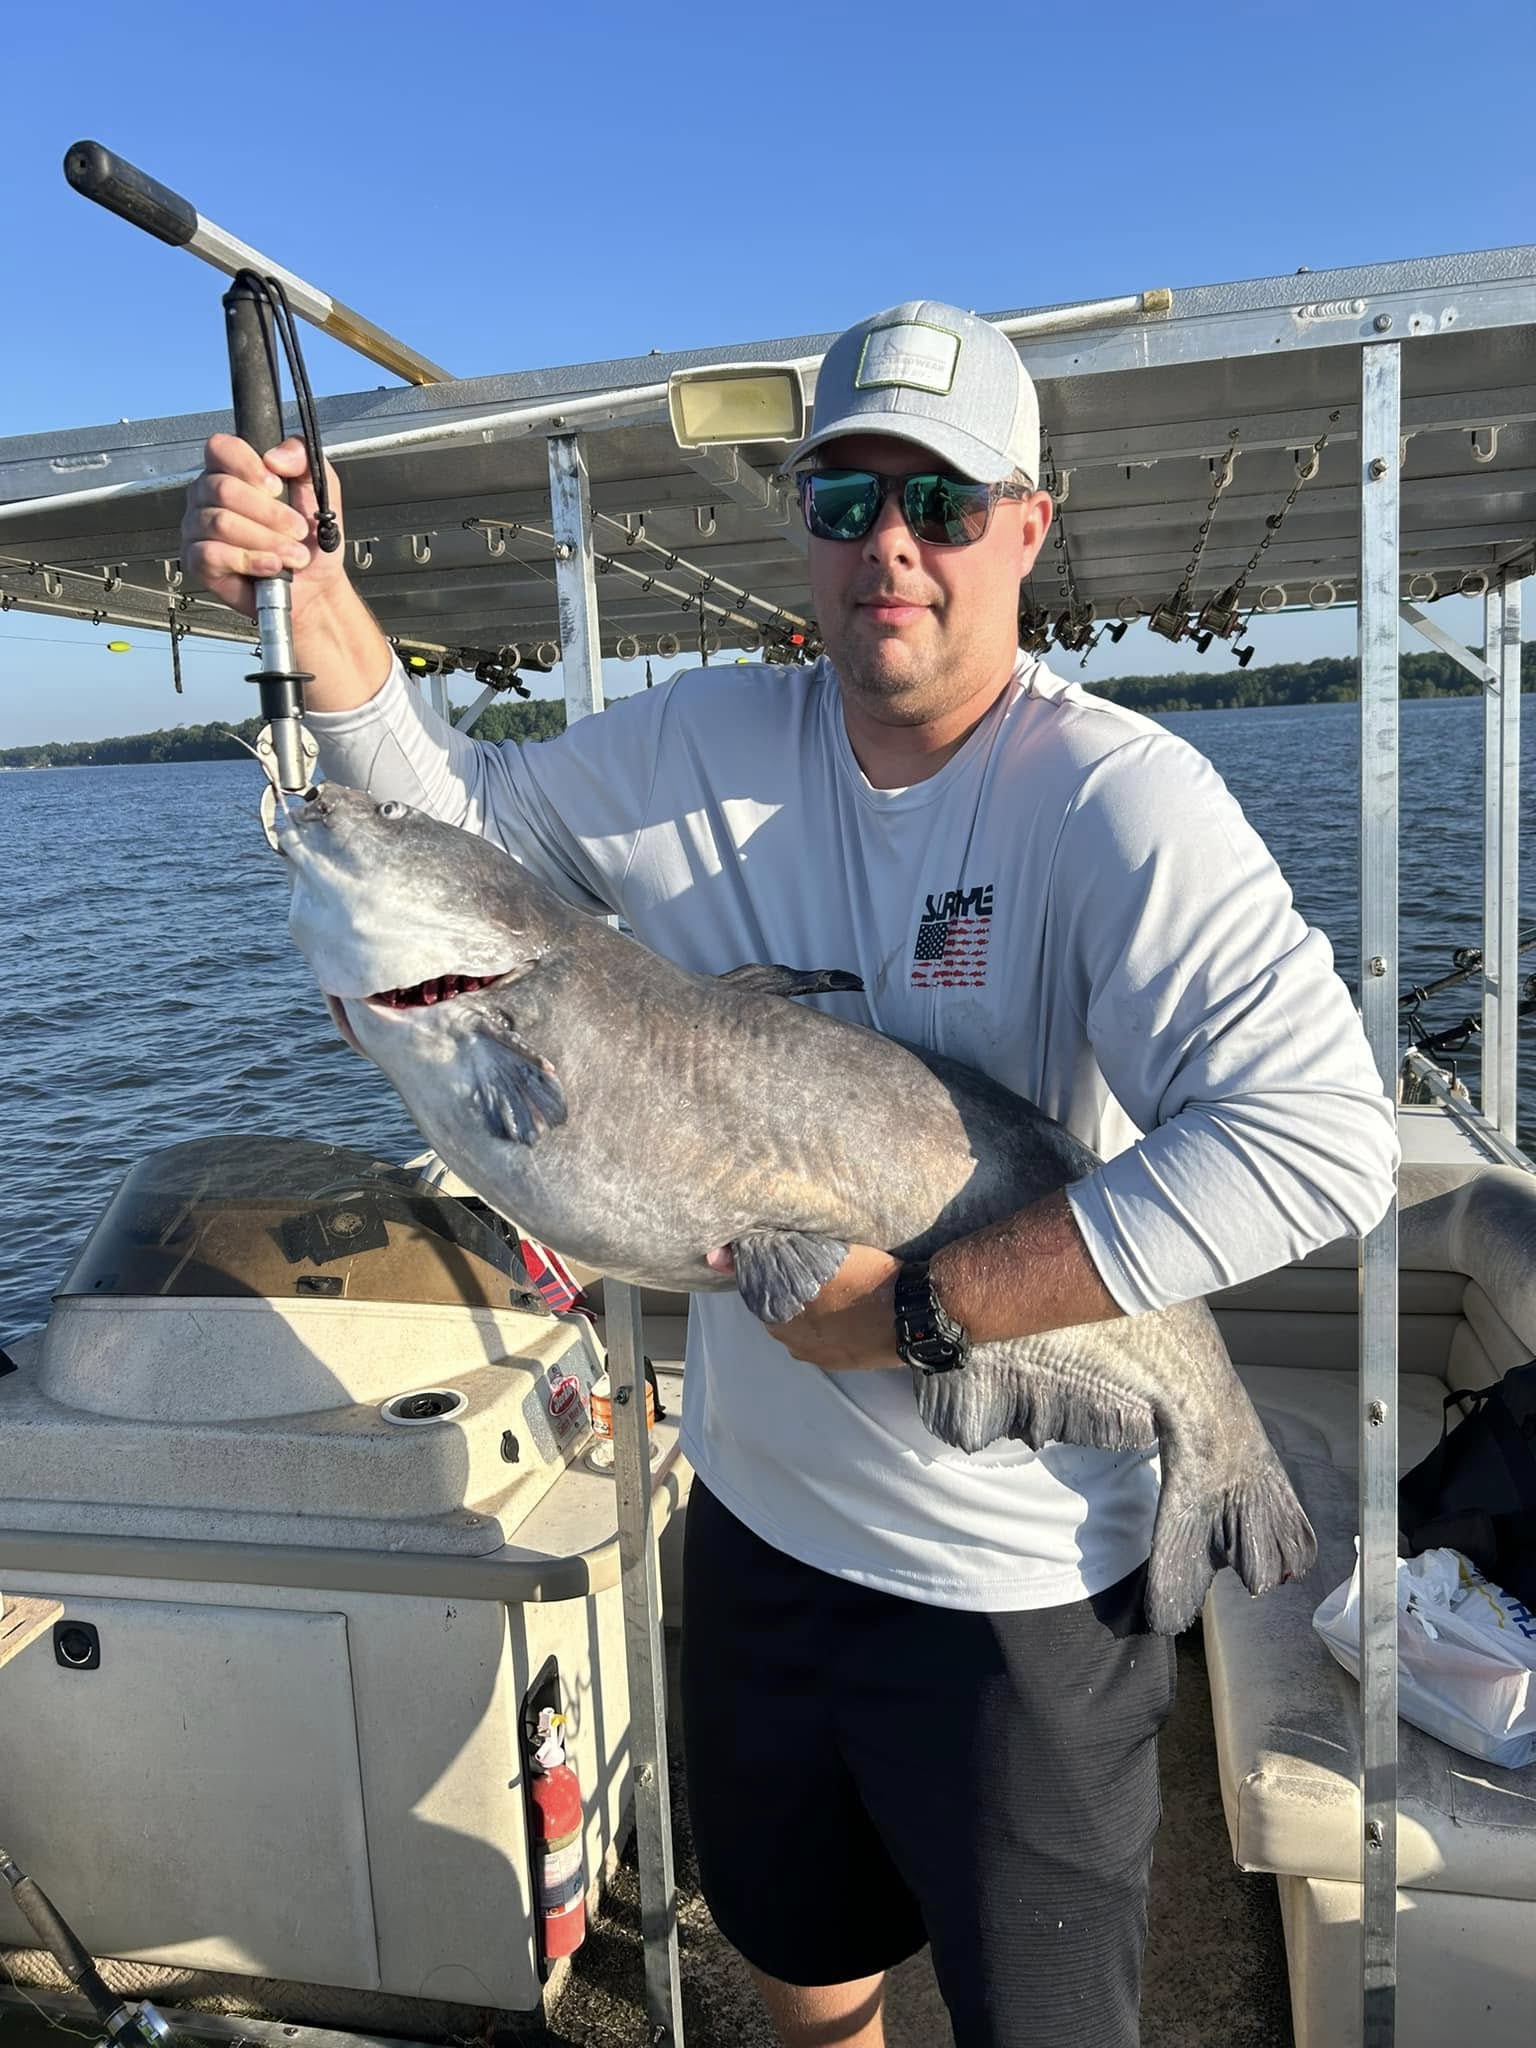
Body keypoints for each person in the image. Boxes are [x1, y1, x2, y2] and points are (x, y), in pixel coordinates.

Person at [182, 299, 1399, 2048]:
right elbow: (454, 823)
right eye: (847, 503)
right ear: (806, 530)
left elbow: (1323, 1139)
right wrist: (311, 591)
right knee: (803, 1978)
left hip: (1019, 1602)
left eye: (945, 504)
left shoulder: (1118, 805)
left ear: (1028, 525)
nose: (890, 547)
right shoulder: (702, 746)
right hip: (755, 1540)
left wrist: (917, 1312)